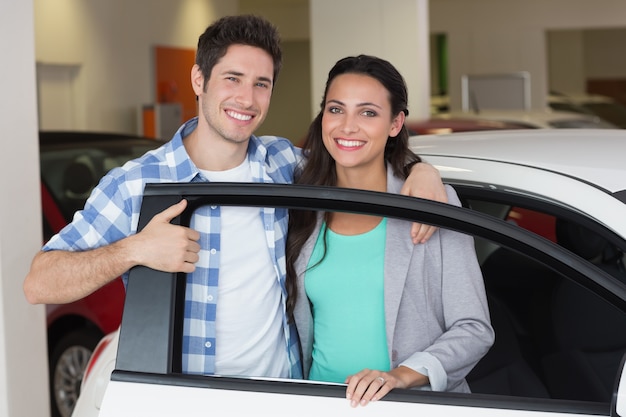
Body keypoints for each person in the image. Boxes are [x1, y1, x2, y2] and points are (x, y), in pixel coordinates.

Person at [24, 15, 446, 379]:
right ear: (198, 79)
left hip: (284, 392)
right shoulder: (136, 183)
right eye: (232, 79)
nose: (247, 99)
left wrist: (419, 170)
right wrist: (134, 250)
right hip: (193, 399)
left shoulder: (284, 164)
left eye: (261, 84)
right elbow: (39, 283)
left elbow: (359, 158)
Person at [286, 54, 494, 406]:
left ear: (396, 123)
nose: (347, 126)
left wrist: (399, 377)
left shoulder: (431, 202)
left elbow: (474, 329)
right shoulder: (302, 199)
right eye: (336, 110)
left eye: (368, 112)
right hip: (319, 403)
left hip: (407, 406)